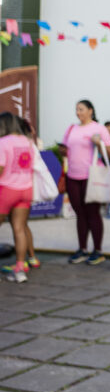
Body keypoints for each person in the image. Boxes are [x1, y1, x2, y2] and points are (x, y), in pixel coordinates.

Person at [61, 99, 110, 265]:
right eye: (77, 109)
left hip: (91, 176)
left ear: (90, 111)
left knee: (92, 213)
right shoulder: (71, 128)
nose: (78, 112)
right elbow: (65, 149)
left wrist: (99, 143)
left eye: (81, 109)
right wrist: (62, 150)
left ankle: (98, 250)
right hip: (73, 176)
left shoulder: (99, 128)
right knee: (80, 213)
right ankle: (82, 248)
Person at [0, 113, 34, 283]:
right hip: (26, 189)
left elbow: (0, 167)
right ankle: (20, 268)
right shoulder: (27, 142)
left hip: (7, 190)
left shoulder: (3, 142)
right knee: (19, 229)